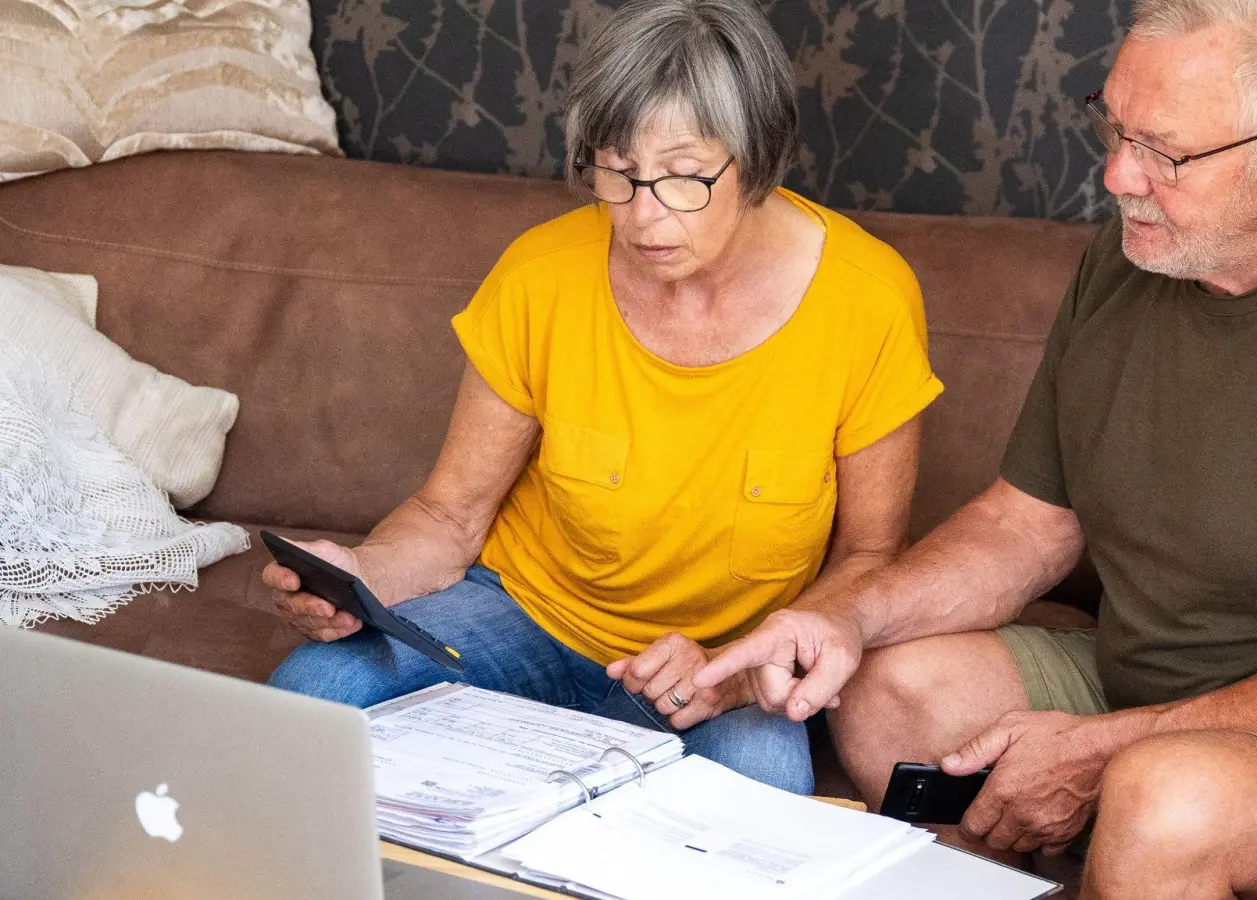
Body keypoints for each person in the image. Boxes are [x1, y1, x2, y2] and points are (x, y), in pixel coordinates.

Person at [694, 0, 1257, 894]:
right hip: (1159, 685)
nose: (1117, 176)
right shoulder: (1145, 251)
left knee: (1162, 800)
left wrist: (1105, 751)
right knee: (884, 690)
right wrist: (848, 616)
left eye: (1165, 152)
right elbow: (1027, 526)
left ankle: (1142, 842)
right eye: (1114, 128)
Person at [262, 0, 942, 795]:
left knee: (761, 782)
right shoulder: (541, 274)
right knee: (316, 690)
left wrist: (741, 666)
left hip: (720, 664)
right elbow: (450, 517)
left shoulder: (866, 300)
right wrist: (359, 573)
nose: (642, 214)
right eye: (617, 171)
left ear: (757, 159)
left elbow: (867, 559)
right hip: (525, 621)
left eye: (685, 177)